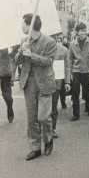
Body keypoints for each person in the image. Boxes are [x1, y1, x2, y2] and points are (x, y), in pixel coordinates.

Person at [14, 14, 57, 161]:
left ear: (30, 25)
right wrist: (21, 52)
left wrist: (30, 54)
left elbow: (48, 62)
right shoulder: (23, 41)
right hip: (29, 82)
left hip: (44, 82)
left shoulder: (49, 41)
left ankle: (48, 139)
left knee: (43, 117)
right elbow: (18, 61)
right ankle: (35, 147)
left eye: (23, 24)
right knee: (31, 118)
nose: (21, 27)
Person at [69, 22, 89, 121]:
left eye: (85, 31)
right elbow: (70, 58)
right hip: (76, 70)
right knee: (75, 92)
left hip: (88, 69)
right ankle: (76, 114)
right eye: (82, 31)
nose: (84, 33)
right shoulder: (72, 44)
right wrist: (69, 73)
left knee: (88, 91)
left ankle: (88, 107)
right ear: (77, 32)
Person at [51, 36, 71, 138]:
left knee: (53, 106)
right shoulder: (41, 48)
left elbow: (67, 67)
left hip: (57, 82)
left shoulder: (64, 50)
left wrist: (67, 82)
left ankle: (52, 128)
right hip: (42, 82)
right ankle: (43, 127)